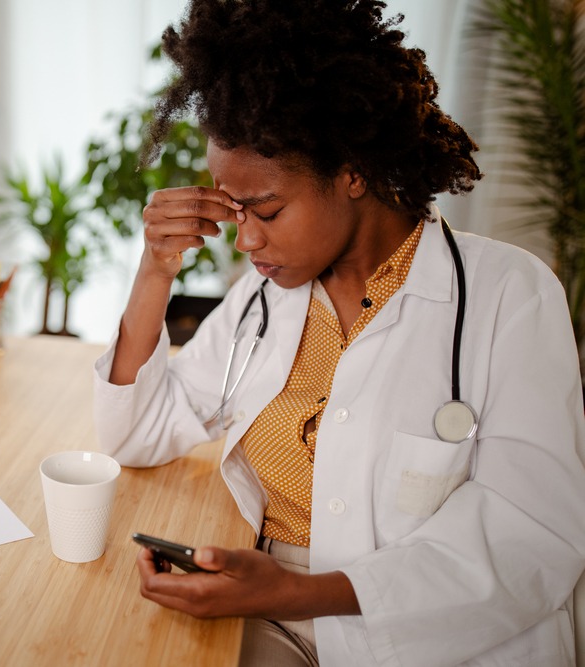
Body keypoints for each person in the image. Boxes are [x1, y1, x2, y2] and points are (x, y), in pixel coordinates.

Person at [92, 1, 585, 665]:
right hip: (276, 616)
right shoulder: (266, 298)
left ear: (352, 171)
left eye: (265, 208)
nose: (245, 239)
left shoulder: (510, 297)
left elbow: (533, 539)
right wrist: (154, 269)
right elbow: (136, 430)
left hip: (449, 641)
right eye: (233, 209)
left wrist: (301, 591)